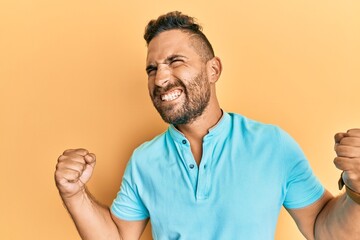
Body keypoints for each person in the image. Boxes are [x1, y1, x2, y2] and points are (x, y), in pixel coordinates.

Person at [55, 11, 360, 240]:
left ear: (213, 69)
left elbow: (323, 229)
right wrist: (74, 193)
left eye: (176, 61)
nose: (160, 78)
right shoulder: (144, 160)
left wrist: (357, 191)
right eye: (152, 68)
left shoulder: (272, 145)